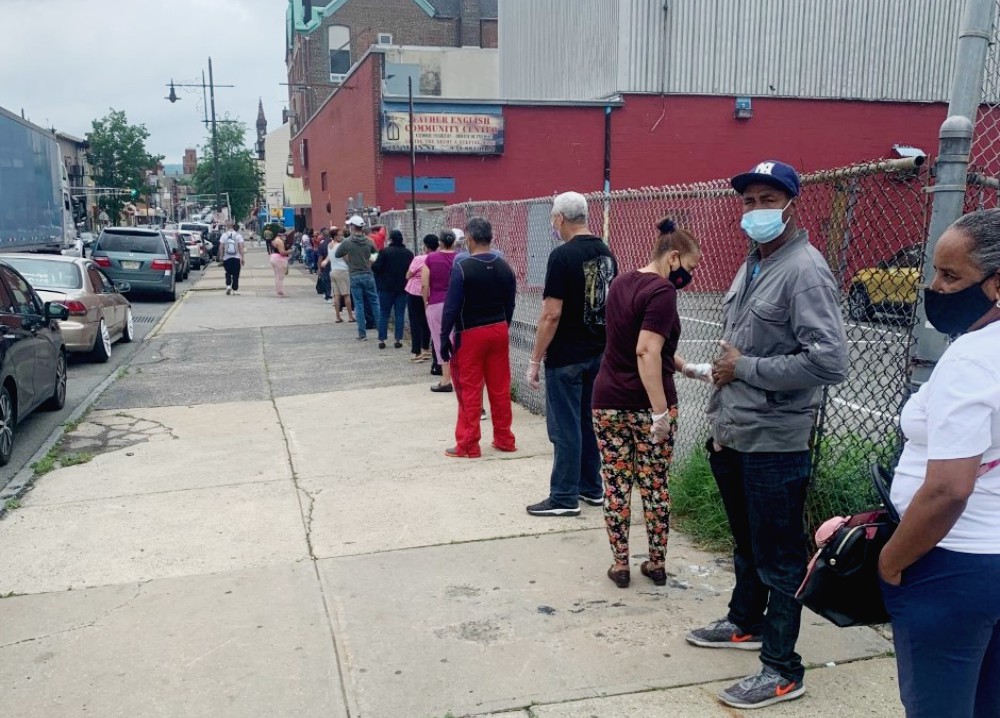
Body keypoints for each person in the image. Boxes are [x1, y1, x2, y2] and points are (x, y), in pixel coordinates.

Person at [685, 161, 848, 710]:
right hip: (736, 432)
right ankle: (744, 622)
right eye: (749, 200)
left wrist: (748, 369)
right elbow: (735, 348)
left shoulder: (805, 270)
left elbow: (830, 362)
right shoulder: (755, 264)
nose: (755, 209)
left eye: (767, 199)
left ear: (792, 204)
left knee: (779, 557)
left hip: (776, 441)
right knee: (748, 544)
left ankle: (782, 669)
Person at [877, 210, 1000, 718]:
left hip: (951, 563)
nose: (935, 287)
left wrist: (892, 561)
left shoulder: (971, 356)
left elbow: (949, 488)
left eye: (951, 276)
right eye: (935, 271)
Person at [592, 218, 710, 588]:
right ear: (673, 257)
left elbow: (638, 346)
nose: (689, 276)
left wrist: (686, 367)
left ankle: (621, 565)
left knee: (615, 485)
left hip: (608, 401)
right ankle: (656, 563)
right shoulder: (662, 292)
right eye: (689, 267)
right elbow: (645, 351)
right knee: (654, 485)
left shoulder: (621, 283)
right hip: (647, 406)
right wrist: (659, 410)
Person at [525, 191, 617, 517]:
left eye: (553, 218)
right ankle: (590, 488)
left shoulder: (562, 256)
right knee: (587, 423)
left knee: (565, 428)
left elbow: (551, 313)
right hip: (597, 351)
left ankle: (563, 496)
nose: (553, 224)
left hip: (566, 355)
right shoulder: (606, 253)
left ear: (560, 218)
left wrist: (535, 359)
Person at [439, 217, 517, 458]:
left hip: (470, 333)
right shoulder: (504, 266)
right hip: (498, 329)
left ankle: (468, 444)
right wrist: (505, 325)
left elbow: (451, 307)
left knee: (469, 388)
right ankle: (504, 438)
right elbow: (510, 302)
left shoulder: (463, 268)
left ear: (470, 239)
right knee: (500, 386)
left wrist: (444, 337)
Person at [422, 229, 460, 392]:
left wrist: (425, 301)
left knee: (440, 339)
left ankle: (446, 380)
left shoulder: (431, 258)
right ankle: (461, 376)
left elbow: (424, 284)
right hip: (458, 302)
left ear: (440, 242)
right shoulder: (460, 258)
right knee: (459, 339)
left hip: (437, 303)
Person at [335, 215, 380, 341]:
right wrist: (370, 263)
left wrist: (348, 261)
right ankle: (381, 332)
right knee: (375, 302)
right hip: (368, 274)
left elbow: (338, 254)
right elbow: (376, 253)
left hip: (354, 274)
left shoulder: (347, 242)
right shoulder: (369, 241)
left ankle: (362, 334)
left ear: (353, 227)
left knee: (359, 305)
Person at [372, 229, 414, 350]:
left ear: (390, 240)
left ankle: (382, 339)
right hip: (402, 287)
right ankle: (398, 339)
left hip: (386, 288)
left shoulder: (384, 252)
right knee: (399, 314)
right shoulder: (409, 253)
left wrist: (374, 258)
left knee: (384, 313)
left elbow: (376, 268)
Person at [406, 234, 438, 362]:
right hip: (429, 292)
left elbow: (408, 275)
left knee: (415, 321)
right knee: (426, 321)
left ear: (426, 246)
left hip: (414, 291)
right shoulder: (437, 258)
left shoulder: (419, 259)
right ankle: (426, 349)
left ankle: (416, 352)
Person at [328, 227, 354, 322]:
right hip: (342, 271)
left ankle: (338, 316)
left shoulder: (329, 245)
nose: (342, 237)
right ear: (335, 236)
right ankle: (350, 316)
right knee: (346, 294)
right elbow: (346, 259)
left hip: (333, 271)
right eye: (340, 235)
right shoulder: (340, 246)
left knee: (337, 295)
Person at [219, 221, 245, 296]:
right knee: (236, 274)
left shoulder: (224, 235)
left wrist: (221, 257)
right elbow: (241, 247)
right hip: (236, 257)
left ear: (227, 226)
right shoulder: (238, 235)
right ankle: (235, 289)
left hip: (226, 258)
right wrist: (242, 257)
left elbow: (221, 247)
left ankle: (228, 285)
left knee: (228, 272)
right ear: (233, 226)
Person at [269, 230, 291, 297]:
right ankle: (280, 292)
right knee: (280, 277)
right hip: (279, 259)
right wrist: (290, 251)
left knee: (277, 276)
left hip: (274, 258)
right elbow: (282, 252)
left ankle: (279, 290)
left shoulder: (275, 240)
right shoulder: (279, 241)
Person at [316, 228, 333, 302]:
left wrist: (319, 268)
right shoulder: (335, 243)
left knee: (327, 280)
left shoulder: (323, 244)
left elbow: (320, 257)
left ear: (323, 235)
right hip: (335, 264)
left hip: (326, 265)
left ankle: (328, 295)